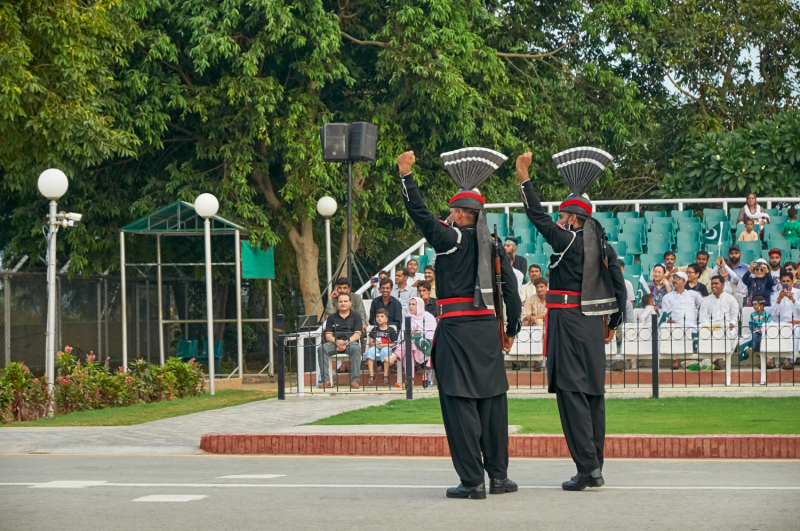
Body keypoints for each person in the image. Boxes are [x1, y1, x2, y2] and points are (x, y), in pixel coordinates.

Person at [397, 150, 522, 500]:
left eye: (452, 211)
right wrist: (511, 332)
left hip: (457, 330)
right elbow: (511, 293)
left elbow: (420, 216)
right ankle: (498, 477)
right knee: (493, 403)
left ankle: (472, 481)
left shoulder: (453, 239)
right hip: (487, 331)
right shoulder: (495, 246)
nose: (448, 216)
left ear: (463, 214)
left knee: (459, 403)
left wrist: (407, 177)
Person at [516, 150, 626, 491]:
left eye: (563, 216)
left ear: (574, 220)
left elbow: (536, 215)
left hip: (567, 321)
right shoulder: (603, 246)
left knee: (570, 392)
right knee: (593, 393)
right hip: (593, 323)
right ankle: (595, 467)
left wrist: (524, 178)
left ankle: (587, 468)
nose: (559, 220)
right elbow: (618, 286)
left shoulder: (568, 239)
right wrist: (613, 322)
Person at [318, 292, 362, 389]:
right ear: (337, 304)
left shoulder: (356, 316)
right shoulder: (331, 317)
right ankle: (326, 380)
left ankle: (354, 380)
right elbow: (328, 335)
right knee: (321, 349)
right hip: (334, 343)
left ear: (350, 303)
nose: (343, 303)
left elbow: (358, 334)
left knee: (356, 348)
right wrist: (336, 341)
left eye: (345, 301)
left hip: (350, 343)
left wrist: (346, 342)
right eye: (340, 301)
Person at [661, 271, 703, 367]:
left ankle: (691, 360)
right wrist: (672, 322)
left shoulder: (693, 294)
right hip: (675, 325)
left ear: (684, 282)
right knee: (675, 333)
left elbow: (704, 305)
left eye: (677, 278)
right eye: (674, 278)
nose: (674, 280)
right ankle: (676, 359)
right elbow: (665, 316)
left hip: (691, 325)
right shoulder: (667, 297)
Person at [392, 297, 437, 379]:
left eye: (413, 304)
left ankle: (409, 378)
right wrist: (410, 333)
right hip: (411, 346)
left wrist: (419, 334)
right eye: (410, 304)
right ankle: (410, 379)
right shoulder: (408, 317)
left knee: (409, 344)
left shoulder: (429, 317)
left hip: (426, 345)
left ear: (419, 305)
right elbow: (402, 335)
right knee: (409, 345)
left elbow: (432, 335)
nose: (411, 306)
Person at [769, 269, 800, 369]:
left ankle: (789, 360)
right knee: (770, 328)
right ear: (780, 282)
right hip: (782, 323)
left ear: (792, 282)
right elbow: (773, 314)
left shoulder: (798, 293)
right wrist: (779, 299)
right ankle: (768, 359)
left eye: (788, 281)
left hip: (797, 323)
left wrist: (793, 300)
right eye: (783, 281)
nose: (785, 283)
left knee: (797, 331)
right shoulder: (775, 295)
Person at [365, 308, 398, 386]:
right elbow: (370, 343)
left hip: (386, 347)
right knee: (370, 352)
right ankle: (371, 375)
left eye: (382, 316)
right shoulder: (374, 329)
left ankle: (385, 375)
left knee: (385, 351)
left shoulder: (391, 330)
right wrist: (375, 345)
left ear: (386, 319)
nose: (379, 318)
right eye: (378, 316)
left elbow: (394, 344)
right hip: (376, 347)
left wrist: (384, 345)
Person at [741, 296, 772, 365]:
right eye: (753, 305)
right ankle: (752, 349)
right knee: (754, 336)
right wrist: (755, 329)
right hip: (755, 331)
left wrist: (762, 329)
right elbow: (750, 324)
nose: (754, 307)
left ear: (761, 306)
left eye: (755, 305)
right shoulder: (752, 315)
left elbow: (769, 324)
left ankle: (762, 352)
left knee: (764, 339)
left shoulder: (767, 315)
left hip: (764, 331)